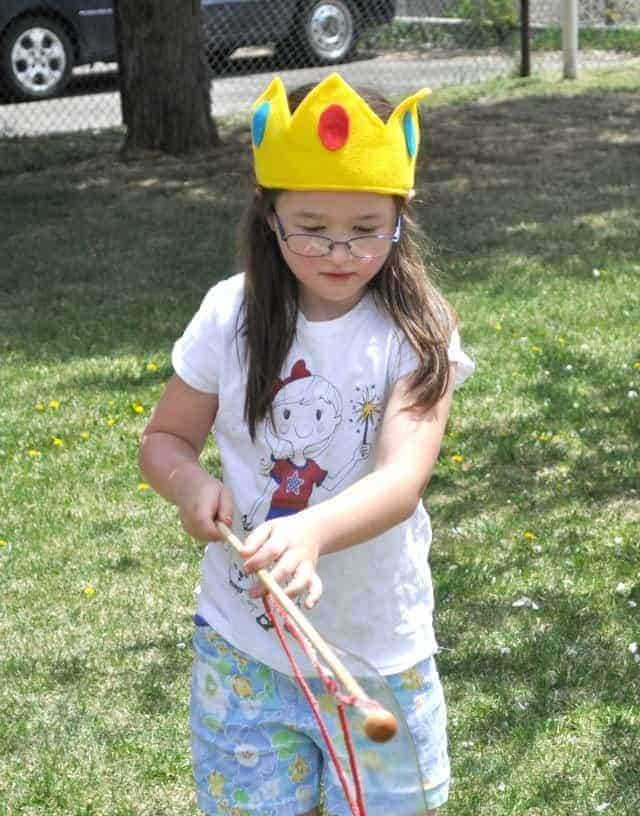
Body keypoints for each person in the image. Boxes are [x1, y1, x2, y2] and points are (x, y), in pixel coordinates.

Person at [139, 73, 475, 816]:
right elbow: (165, 438)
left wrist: (314, 530)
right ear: (269, 217)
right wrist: (192, 486)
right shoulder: (228, 316)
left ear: (399, 217)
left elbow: (401, 479)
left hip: (377, 653)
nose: (339, 250)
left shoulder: (418, 333)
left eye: (364, 228)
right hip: (244, 655)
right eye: (312, 226)